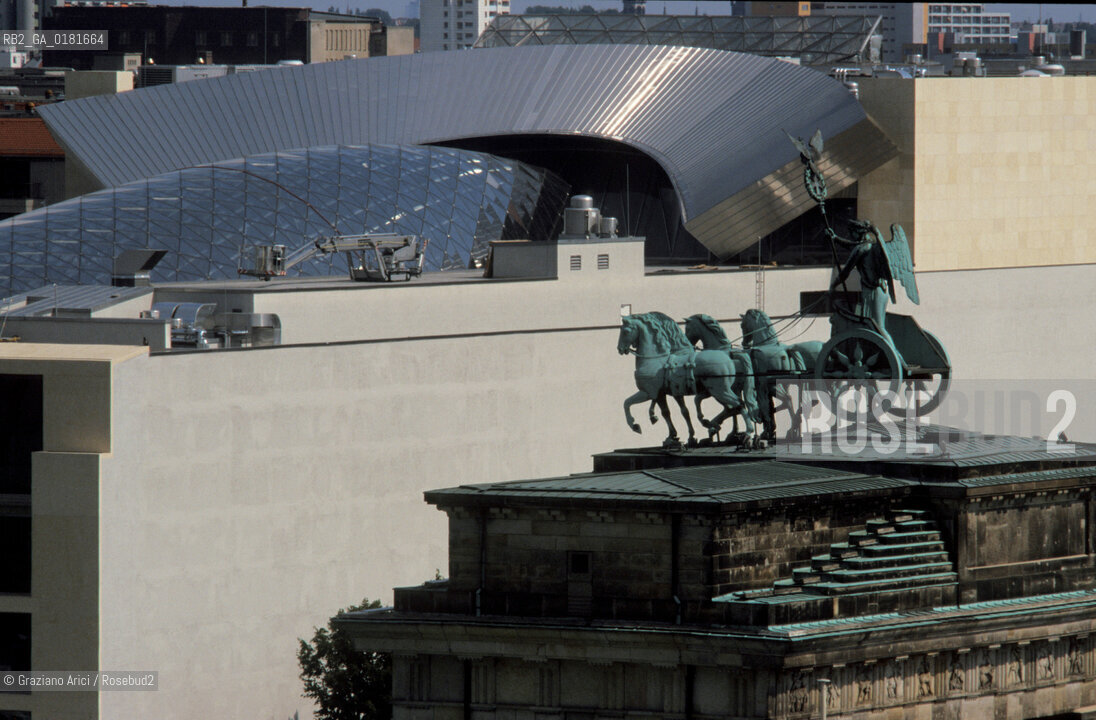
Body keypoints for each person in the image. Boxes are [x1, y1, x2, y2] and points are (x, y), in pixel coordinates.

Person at [826, 219, 893, 342]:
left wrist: (833, 286)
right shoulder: (872, 245)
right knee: (877, 327)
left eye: (852, 233)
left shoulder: (861, 248)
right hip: (881, 291)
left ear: (857, 232)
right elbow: (852, 246)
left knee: (878, 328)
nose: (851, 236)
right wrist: (835, 238)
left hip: (872, 293)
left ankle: (896, 357)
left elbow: (845, 273)